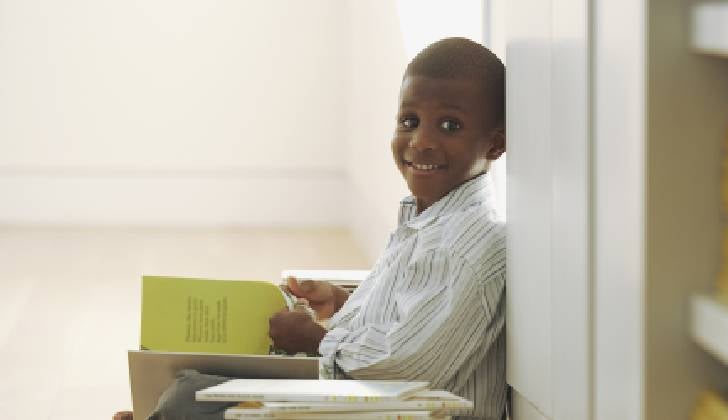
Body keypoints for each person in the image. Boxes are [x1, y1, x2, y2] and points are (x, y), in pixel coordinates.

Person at [116, 36, 508, 420]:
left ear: (495, 144)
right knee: (187, 383)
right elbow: (407, 317)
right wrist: (341, 302)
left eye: (450, 126)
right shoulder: (428, 220)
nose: (421, 141)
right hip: (367, 394)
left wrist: (314, 339)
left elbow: (408, 369)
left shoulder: (465, 245)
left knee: (189, 398)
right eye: (410, 121)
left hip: (398, 408)